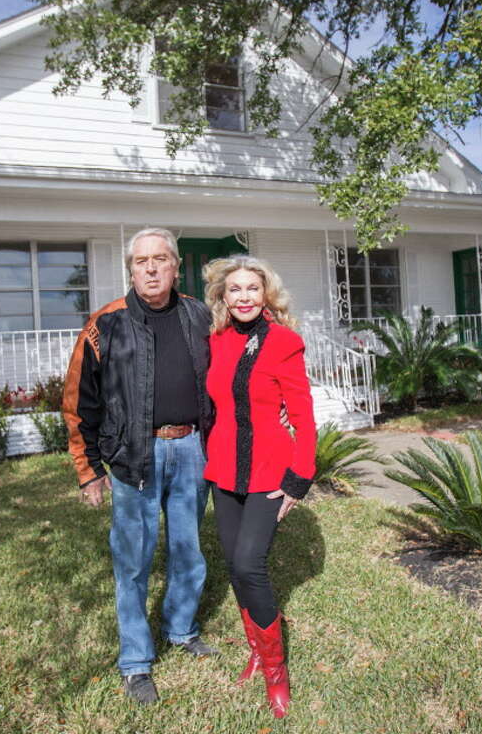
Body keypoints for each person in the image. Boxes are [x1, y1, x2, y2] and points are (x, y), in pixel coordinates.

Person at [62, 227, 217, 705]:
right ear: (131, 269)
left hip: (191, 450)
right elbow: (78, 401)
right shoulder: (105, 323)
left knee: (189, 551)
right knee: (132, 562)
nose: (151, 268)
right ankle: (135, 661)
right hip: (134, 457)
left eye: (160, 259)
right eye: (141, 261)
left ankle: (181, 629)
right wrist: (89, 469)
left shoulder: (200, 315)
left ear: (176, 267)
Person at [201, 255, 317, 719]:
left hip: (269, 470)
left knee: (250, 564)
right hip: (224, 470)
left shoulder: (285, 342)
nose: (244, 296)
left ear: (266, 293)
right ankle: (255, 650)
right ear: (223, 297)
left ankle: (276, 671)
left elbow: (304, 417)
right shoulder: (217, 340)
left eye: (252, 288)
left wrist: (299, 479)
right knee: (234, 565)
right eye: (235, 289)